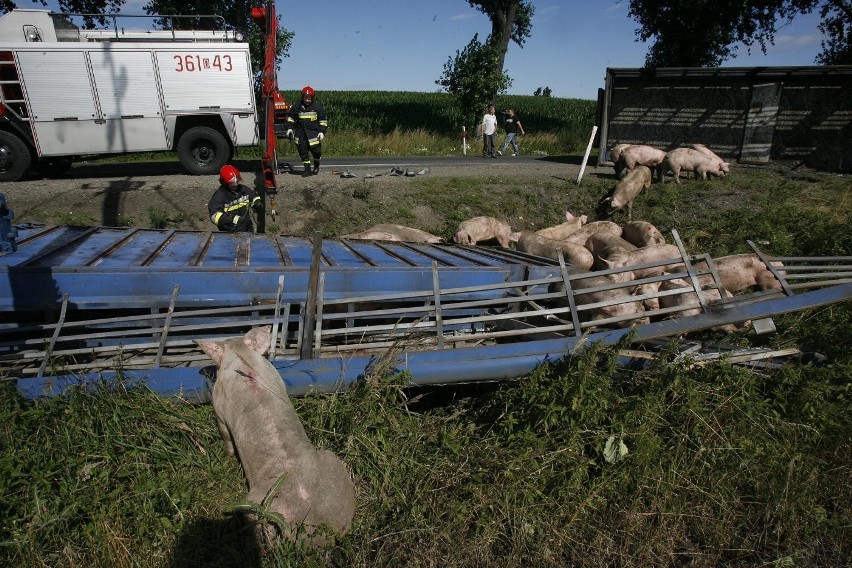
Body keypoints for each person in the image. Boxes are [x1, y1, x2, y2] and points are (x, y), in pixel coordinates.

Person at [285, 85, 328, 177]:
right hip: (301, 134)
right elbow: (291, 118)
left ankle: (316, 164)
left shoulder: (317, 107)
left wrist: (322, 132)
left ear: (312, 98)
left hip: (314, 134)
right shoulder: (297, 106)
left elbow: (323, 120)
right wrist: (289, 128)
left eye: (309, 98)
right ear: (302, 97)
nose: (307, 100)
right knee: (303, 152)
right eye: (306, 98)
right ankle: (307, 170)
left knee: (316, 152)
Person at [207, 165, 261, 233]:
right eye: (232, 185)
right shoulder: (219, 197)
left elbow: (253, 196)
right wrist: (233, 219)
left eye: (237, 183)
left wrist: (256, 202)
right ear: (225, 183)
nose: (236, 185)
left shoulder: (243, 189)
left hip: (247, 229)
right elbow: (214, 217)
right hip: (229, 233)